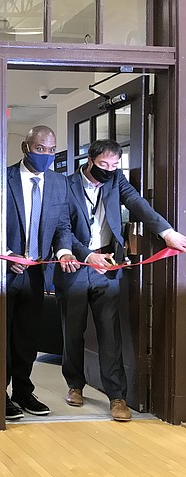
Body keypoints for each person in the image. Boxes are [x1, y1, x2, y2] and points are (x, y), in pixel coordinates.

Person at [53, 139, 186, 422]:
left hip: (109, 266)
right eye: (103, 165)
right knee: (72, 331)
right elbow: (62, 229)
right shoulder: (65, 185)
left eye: (114, 165)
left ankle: (117, 396)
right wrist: (87, 256)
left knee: (110, 333)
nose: (109, 170)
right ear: (89, 161)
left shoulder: (116, 181)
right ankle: (75, 385)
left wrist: (167, 233)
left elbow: (138, 204)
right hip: (75, 264)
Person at [4, 125, 77, 421]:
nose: (46, 155)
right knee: (2, 335)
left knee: (26, 336)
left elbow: (62, 227)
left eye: (51, 150)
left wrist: (64, 251)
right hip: (4, 271)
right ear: (25, 147)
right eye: (40, 149)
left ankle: (23, 391)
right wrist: (6, 255)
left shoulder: (59, 183)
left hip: (37, 271)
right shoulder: (3, 177)